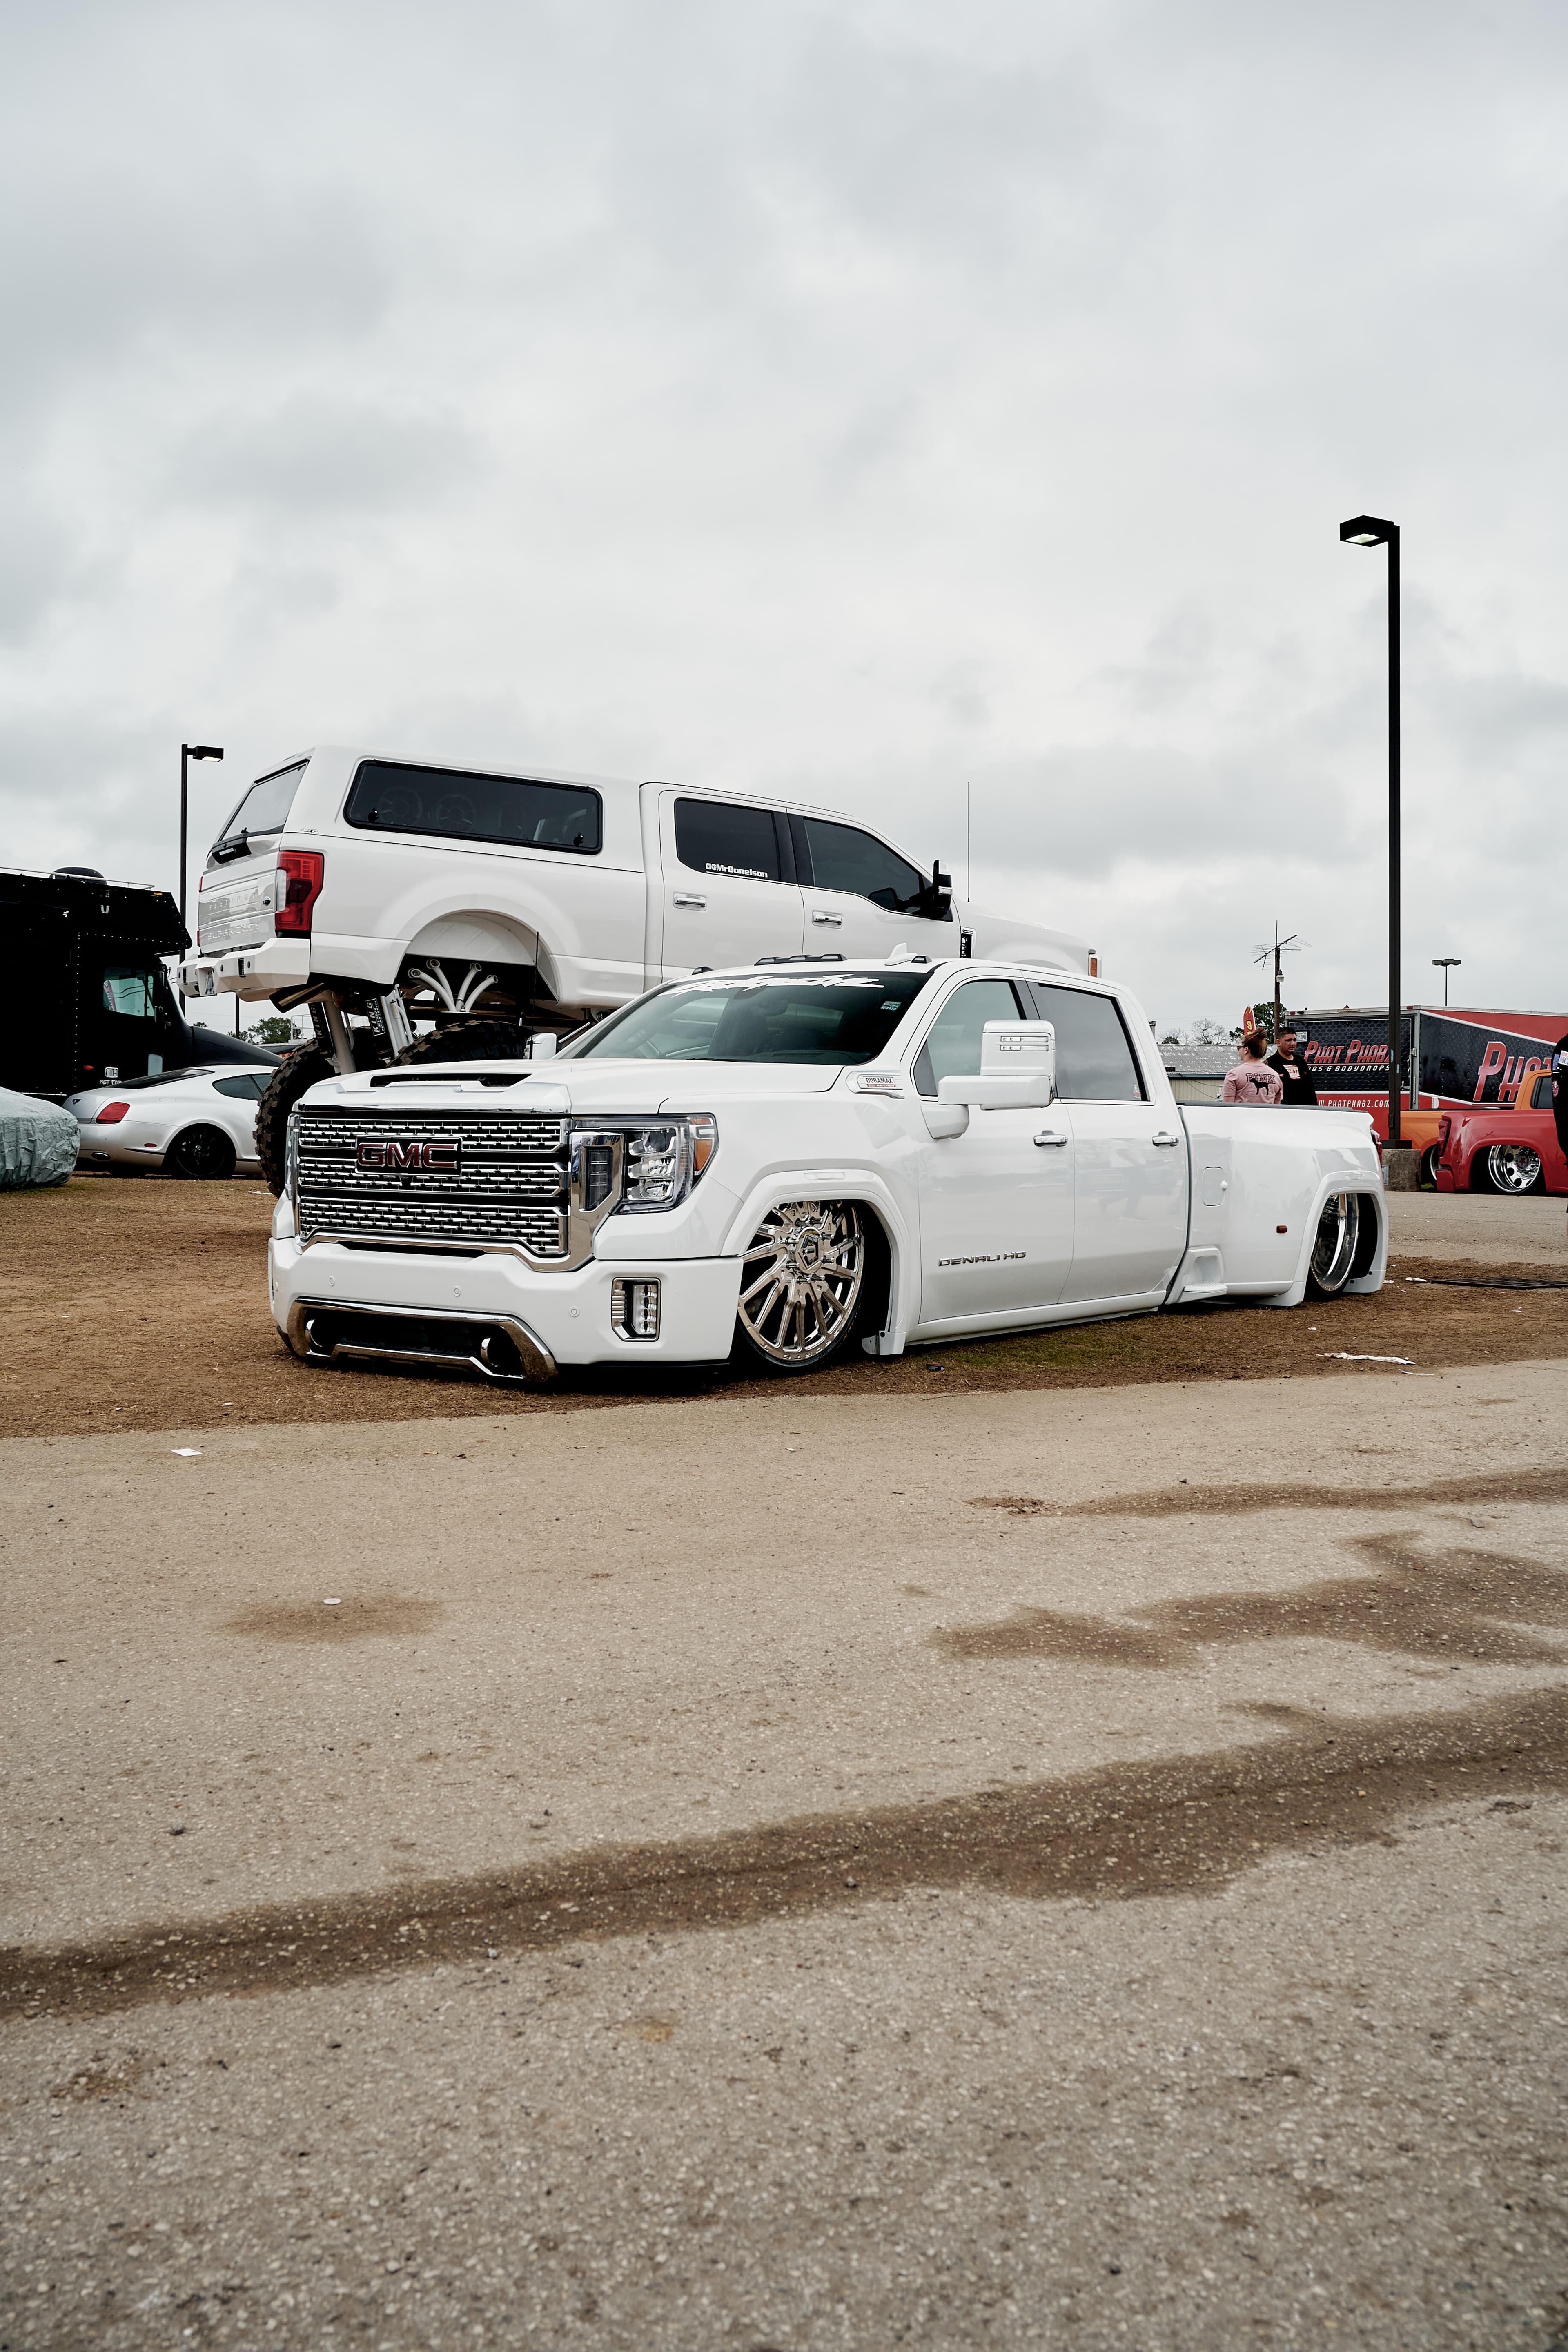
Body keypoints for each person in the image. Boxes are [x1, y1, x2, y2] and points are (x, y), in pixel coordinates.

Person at [1222, 1031, 1283, 1104]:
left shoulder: (1234, 1075)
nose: (1239, 1051)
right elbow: (1277, 1108)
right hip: (1268, 1112)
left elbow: (1228, 1107)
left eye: (1239, 1048)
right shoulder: (1276, 1077)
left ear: (1246, 1050)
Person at [1265, 1027, 1318, 1105]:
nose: (1293, 1043)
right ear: (1278, 1043)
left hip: (1304, 1110)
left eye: (1295, 1040)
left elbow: (1310, 1089)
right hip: (1282, 1109)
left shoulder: (1301, 1062)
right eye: (1289, 1040)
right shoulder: (1271, 1063)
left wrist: (1314, 1108)